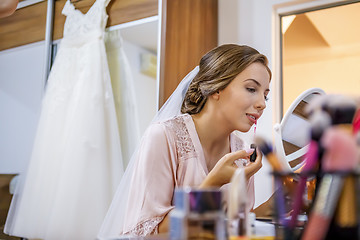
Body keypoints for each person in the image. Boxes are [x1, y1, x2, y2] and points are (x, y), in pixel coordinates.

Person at [98, 44, 272, 238]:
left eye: (266, 95)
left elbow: (232, 227)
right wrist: (211, 185)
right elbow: (146, 231)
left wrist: (268, 209)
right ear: (216, 88)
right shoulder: (163, 137)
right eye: (251, 89)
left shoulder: (242, 153)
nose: (262, 104)